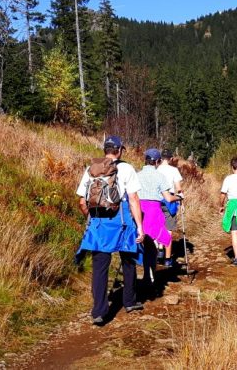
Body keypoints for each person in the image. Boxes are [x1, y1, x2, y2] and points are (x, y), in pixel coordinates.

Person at [75, 136, 146, 325]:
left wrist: (91, 218)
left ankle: (99, 311)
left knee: (100, 267)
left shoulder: (91, 169)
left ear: (105, 149)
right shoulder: (127, 168)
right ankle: (129, 301)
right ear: (119, 150)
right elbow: (133, 199)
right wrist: (140, 227)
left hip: (99, 223)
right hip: (121, 220)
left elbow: (82, 201)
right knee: (128, 259)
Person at [136, 148, 180, 290]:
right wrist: (179, 197)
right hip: (154, 211)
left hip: (139, 210)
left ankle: (145, 275)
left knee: (142, 241)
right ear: (157, 161)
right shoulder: (159, 176)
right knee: (152, 244)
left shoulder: (137, 175)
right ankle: (150, 276)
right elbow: (168, 197)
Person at [156, 149, 185, 266]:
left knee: (158, 226)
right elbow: (179, 189)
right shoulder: (174, 170)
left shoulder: (156, 169)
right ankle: (168, 259)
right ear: (171, 159)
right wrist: (182, 203)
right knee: (168, 230)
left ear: (161, 158)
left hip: (157, 200)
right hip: (170, 200)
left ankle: (160, 249)